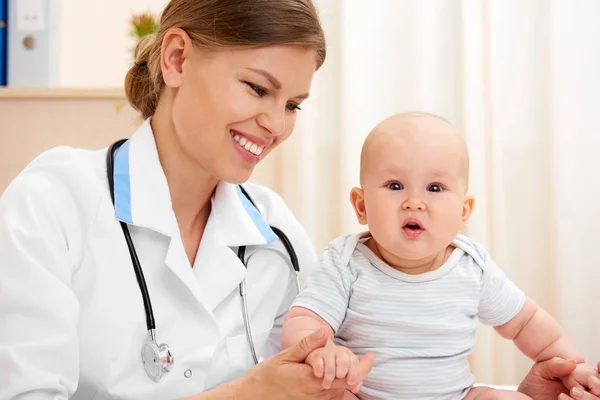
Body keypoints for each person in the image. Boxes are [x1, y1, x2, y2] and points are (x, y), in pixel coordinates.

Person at [0, 0, 595, 398]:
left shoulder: (276, 232)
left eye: (293, 104)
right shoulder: (54, 203)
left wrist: (508, 395)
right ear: (177, 58)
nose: (275, 124)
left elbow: (362, 381)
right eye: (258, 88)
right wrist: (248, 394)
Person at [281, 112, 600, 400]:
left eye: (434, 188)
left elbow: (526, 323)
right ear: (362, 206)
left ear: (464, 211)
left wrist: (573, 367)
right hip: (361, 394)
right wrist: (323, 351)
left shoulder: (471, 266)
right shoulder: (347, 261)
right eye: (395, 185)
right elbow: (303, 320)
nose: (414, 202)